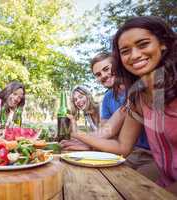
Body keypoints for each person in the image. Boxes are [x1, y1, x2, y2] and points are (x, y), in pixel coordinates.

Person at [70, 16, 177, 194]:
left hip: (147, 159)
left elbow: (109, 132)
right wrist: (77, 135)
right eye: (126, 51)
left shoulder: (138, 92)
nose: (134, 55)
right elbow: (121, 145)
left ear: (163, 44)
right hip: (160, 176)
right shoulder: (137, 96)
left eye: (143, 44)